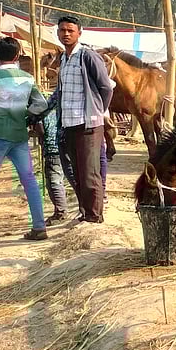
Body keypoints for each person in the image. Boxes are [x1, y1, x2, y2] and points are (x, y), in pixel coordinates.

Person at [0, 36, 51, 239]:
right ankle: (39, 226)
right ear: (18, 55)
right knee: (29, 179)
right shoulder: (27, 78)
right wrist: (25, 115)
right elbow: (41, 105)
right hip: (20, 134)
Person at [51, 16, 115, 224]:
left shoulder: (87, 56)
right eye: (62, 30)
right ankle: (85, 212)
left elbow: (106, 87)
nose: (66, 34)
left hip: (88, 124)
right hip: (69, 123)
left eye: (70, 30)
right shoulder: (64, 58)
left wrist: (98, 110)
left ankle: (95, 217)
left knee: (89, 173)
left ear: (79, 32)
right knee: (77, 173)